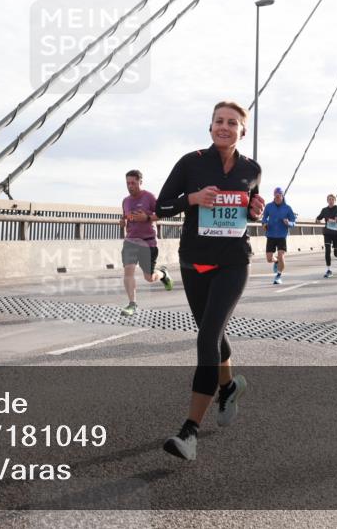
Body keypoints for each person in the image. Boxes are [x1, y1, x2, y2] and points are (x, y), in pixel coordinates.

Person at [156, 100, 265, 461]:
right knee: (213, 334)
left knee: (207, 337)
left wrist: (255, 209)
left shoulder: (252, 169)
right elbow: (161, 206)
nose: (225, 126)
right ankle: (229, 385)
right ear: (210, 127)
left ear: (242, 130)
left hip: (233, 262)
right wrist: (193, 198)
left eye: (232, 122)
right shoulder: (191, 162)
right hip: (194, 263)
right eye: (219, 121)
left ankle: (189, 432)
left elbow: (249, 210)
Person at [119, 170, 173, 316]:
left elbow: (161, 214)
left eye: (133, 183)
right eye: (128, 183)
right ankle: (132, 304)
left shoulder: (149, 197)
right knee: (128, 271)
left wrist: (147, 218)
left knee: (149, 278)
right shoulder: (126, 200)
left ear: (140, 182)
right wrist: (122, 222)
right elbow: (125, 216)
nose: (130, 186)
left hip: (148, 243)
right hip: (130, 241)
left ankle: (162, 273)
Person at [262, 187, 296, 285]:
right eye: (276, 196)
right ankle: (276, 261)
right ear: (274, 196)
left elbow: (294, 222)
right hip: (271, 235)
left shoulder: (287, 208)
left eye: (279, 196)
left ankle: (278, 276)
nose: (277, 198)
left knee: (281, 256)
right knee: (269, 259)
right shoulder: (268, 206)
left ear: (282, 196)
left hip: (282, 235)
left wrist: (288, 223)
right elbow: (264, 218)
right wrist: (264, 224)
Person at [315, 194, 337, 278]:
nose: (331, 201)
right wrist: (317, 220)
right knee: (327, 250)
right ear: (327, 201)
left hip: (336, 233)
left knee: (336, 253)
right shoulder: (324, 210)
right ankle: (329, 270)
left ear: (335, 200)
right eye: (329, 199)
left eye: (332, 199)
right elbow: (319, 217)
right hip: (327, 233)